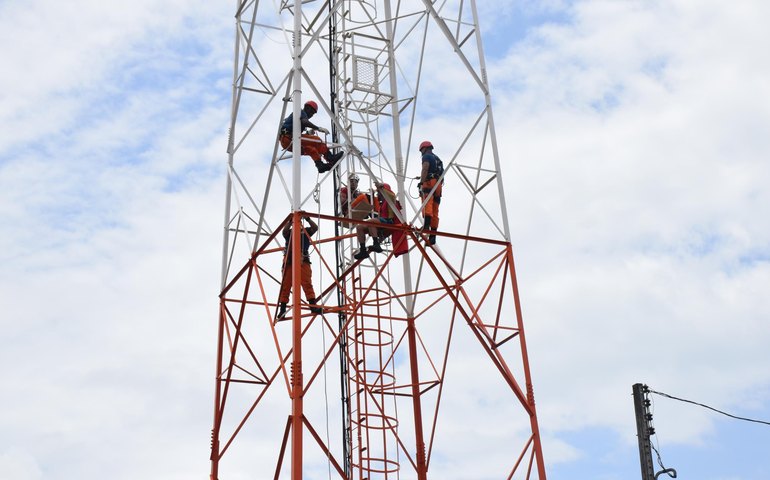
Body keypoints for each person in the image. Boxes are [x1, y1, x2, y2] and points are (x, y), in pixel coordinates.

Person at [277, 216, 323, 318]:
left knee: (307, 283)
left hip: (302, 259)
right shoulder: (290, 232)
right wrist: (290, 221)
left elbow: (315, 228)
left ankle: (312, 306)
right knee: (286, 285)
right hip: (290, 260)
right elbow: (284, 231)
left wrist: (308, 219)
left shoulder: (305, 231)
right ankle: (282, 309)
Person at [279, 100, 344, 173]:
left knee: (311, 149)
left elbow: (296, 129)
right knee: (317, 140)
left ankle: (320, 166)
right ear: (307, 108)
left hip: (286, 143)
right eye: (312, 112)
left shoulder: (297, 116)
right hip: (289, 138)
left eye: (313, 113)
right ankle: (330, 157)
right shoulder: (301, 112)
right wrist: (318, 128)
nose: (311, 115)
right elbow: (305, 122)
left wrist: (308, 133)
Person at [353, 183, 401, 260]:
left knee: (370, 222)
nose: (378, 194)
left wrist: (382, 188)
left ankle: (376, 244)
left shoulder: (390, 200)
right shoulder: (380, 205)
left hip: (388, 221)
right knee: (359, 227)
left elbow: (391, 195)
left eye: (379, 192)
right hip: (380, 222)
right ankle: (363, 250)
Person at [417, 140, 444, 245]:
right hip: (438, 185)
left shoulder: (426, 157)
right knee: (435, 209)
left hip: (430, 183)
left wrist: (421, 182)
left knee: (427, 203)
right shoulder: (437, 158)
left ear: (424, 148)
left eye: (421, 150)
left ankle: (426, 226)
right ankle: (433, 236)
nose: (421, 153)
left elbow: (425, 168)